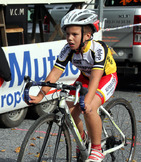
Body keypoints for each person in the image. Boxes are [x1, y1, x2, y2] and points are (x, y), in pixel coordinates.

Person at [29, 9, 118, 162]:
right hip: (85, 77)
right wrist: (40, 95)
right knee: (69, 108)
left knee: (89, 109)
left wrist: (88, 101)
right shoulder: (68, 49)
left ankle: (97, 148)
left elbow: (96, 79)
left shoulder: (98, 49)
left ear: (88, 35)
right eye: (67, 34)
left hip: (105, 78)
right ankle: (82, 140)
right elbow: (54, 74)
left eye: (74, 34)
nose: (69, 38)